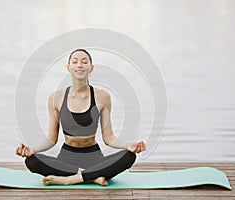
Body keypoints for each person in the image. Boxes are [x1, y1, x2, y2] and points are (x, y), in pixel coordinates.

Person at [15, 49, 146, 186]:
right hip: (66, 157)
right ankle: (93, 176)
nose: (79, 65)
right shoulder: (56, 97)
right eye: (75, 62)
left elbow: (109, 138)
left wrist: (128, 145)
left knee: (129, 156)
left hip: (94, 156)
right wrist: (32, 150)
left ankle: (69, 179)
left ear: (91, 68)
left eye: (84, 62)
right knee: (31, 161)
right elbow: (51, 139)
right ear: (68, 68)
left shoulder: (102, 96)